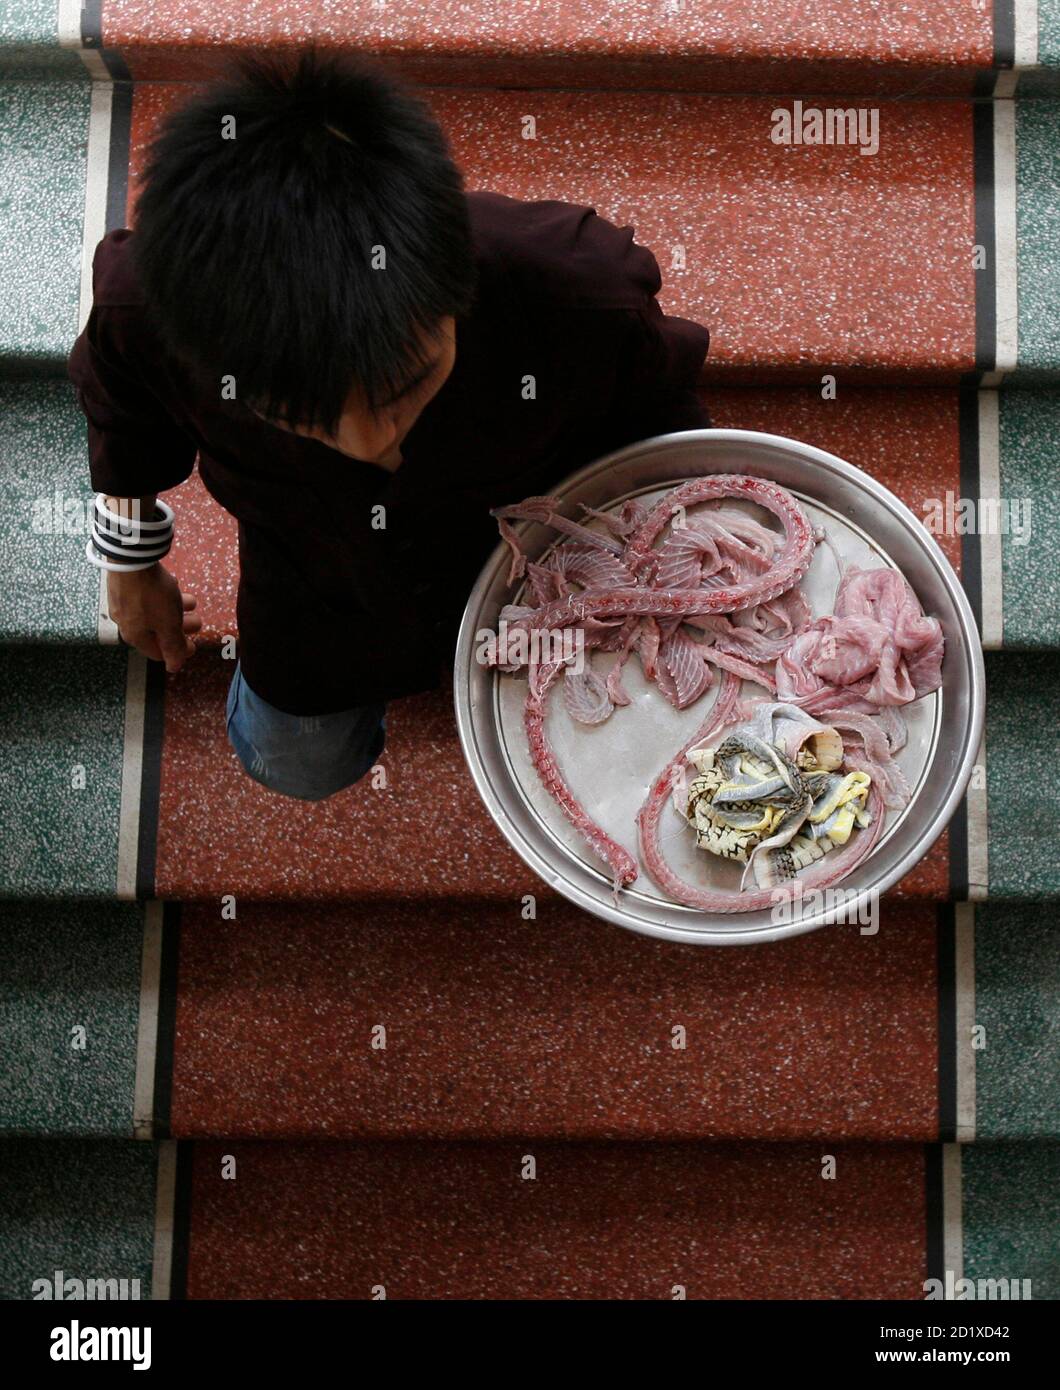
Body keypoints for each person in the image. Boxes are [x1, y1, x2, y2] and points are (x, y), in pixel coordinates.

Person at [69, 49, 711, 801]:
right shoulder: (141, 316)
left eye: (408, 385)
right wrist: (130, 561)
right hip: (317, 592)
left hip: (532, 563)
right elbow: (124, 414)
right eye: (304, 417)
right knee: (294, 764)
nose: (371, 441)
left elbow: (661, 417)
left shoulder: (576, 291)